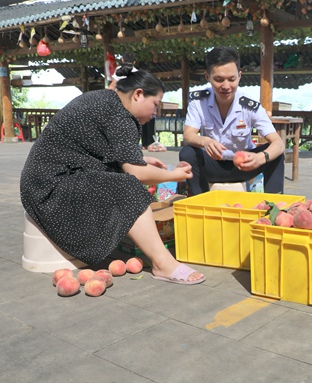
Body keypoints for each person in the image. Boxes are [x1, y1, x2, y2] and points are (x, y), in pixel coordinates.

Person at [20, 67, 205, 284]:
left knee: (123, 178)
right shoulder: (119, 114)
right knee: (128, 186)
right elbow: (135, 173)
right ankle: (162, 263)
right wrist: (174, 175)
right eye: (155, 105)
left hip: (40, 181)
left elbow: (99, 151)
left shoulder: (107, 101)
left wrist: (142, 160)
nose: (156, 113)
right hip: (49, 187)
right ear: (137, 94)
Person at [179, 46, 285, 196]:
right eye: (219, 80)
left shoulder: (250, 106)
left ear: (239, 76)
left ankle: (275, 207)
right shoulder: (198, 101)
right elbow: (188, 135)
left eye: (232, 79)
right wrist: (205, 141)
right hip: (211, 166)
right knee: (188, 153)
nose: (226, 86)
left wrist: (260, 158)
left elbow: (279, 143)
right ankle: (200, 200)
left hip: (244, 167)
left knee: (275, 154)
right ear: (207, 77)